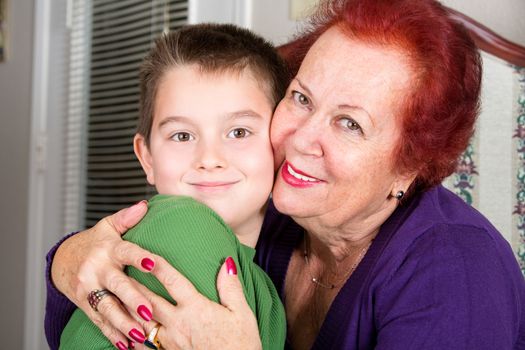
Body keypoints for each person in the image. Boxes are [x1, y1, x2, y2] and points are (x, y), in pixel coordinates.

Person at [46, 0, 525, 349]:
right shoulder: (269, 206)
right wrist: (66, 260)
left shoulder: (456, 274)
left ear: (410, 164)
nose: (298, 138)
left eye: (350, 123)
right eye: (301, 98)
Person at [55, 23, 288, 350]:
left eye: (238, 132)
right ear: (146, 157)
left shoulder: (270, 259)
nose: (209, 158)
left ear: (281, 139)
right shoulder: (186, 227)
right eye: (182, 135)